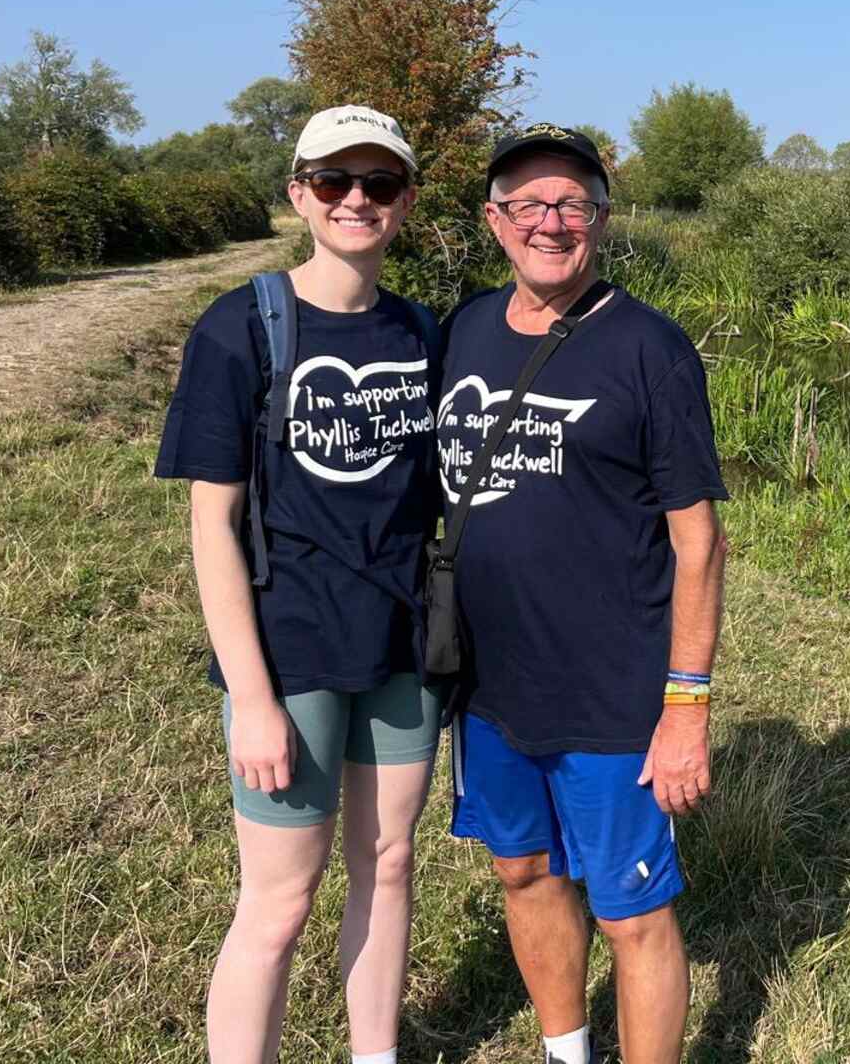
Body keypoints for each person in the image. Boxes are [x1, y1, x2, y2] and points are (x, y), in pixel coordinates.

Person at [155, 105, 444, 1064]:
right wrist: (251, 699)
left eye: (379, 182)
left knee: (389, 864)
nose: (357, 199)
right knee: (279, 901)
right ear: (300, 196)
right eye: (334, 181)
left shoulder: (420, 331)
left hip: (401, 644)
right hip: (291, 655)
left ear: (406, 201)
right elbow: (212, 526)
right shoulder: (241, 327)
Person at [436, 123, 729, 1064]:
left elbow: (698, 543)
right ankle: (567, 1053)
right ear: (494, 221)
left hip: (611, 691)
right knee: (522, 871)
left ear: (602, 220)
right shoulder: (462, 330)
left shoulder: (650, 348)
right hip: (488, 687)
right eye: (526, 203)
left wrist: (685, 705)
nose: (550, 222)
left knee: (631, 911)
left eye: (572, 203)